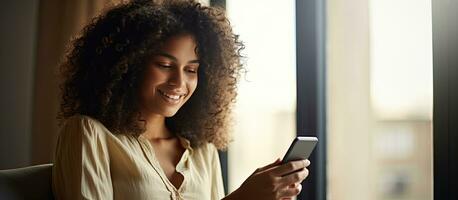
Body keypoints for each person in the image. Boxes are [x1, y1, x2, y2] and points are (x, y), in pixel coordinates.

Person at [52, 0, 311, 199]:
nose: (179, 83)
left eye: (191, 70)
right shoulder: (88, 134)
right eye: (165, 65)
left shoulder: (202, 151)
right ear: (129, 65)